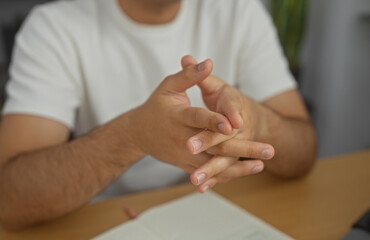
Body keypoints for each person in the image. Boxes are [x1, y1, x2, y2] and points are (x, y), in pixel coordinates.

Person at [0, 0, 317, 230]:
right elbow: (9, 200)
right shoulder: (54, 27)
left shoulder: (240, 11)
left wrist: (256, 120)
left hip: (216, 216)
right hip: (107, 219)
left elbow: (304, 152)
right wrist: (132, 135)